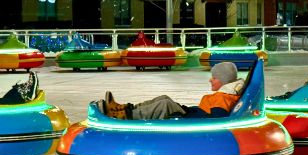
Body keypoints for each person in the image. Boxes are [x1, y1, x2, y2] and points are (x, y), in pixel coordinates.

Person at [103, 61, 245, 120]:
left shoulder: (223, 97)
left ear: (222, 80)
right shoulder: (225, 94)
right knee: (165, 98)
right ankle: (124, 108)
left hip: (189, 119)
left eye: (214, 78)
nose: (210, 80)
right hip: (190, 112)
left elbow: (214, 120)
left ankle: (125, 115)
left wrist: (187, 114)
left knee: (165, 105)